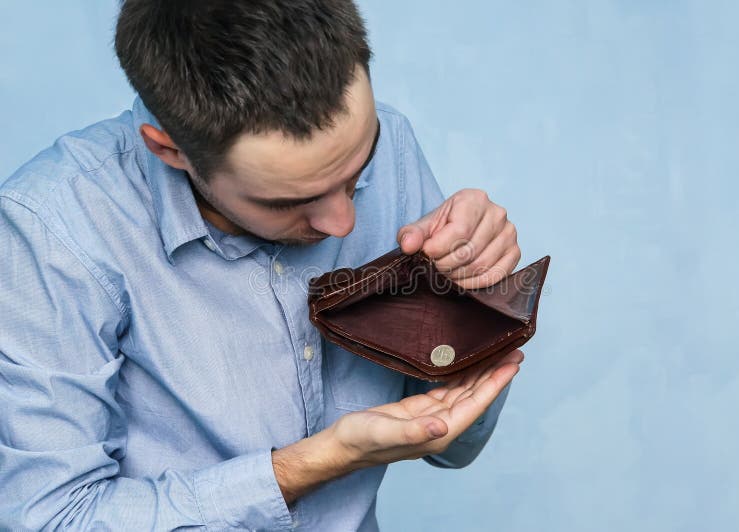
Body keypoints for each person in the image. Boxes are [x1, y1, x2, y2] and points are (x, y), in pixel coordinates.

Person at [0, 1, 524, 530]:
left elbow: (452, 447)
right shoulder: (52, 231)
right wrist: (308, 466)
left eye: (357, 172)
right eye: (285, 202)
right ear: (170, 151)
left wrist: (472, 294)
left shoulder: (390, 139)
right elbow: (51, 517)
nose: (343, 222)